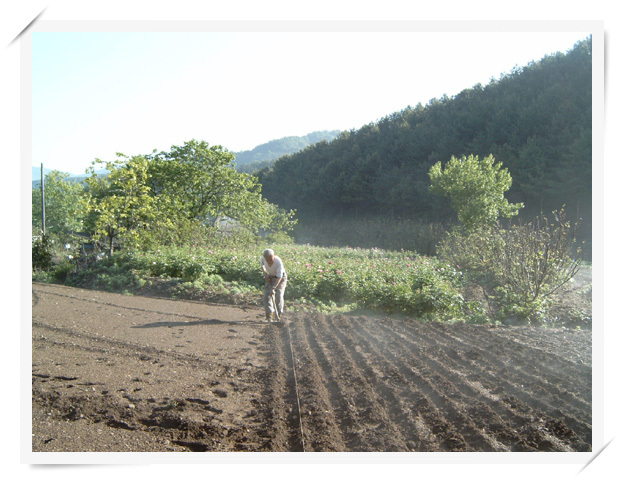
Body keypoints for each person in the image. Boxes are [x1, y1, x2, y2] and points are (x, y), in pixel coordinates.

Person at [261, 248, 287, 322]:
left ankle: (279, 314)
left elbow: (279, 277)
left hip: (280, 279)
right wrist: (265, 275)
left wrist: (274, 288)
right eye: (267, 260)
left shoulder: (278, 262)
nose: (269, 262)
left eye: (271, 259)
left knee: (278, 294)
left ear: (273, 256)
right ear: (265, 258)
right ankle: (269, 316)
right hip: (270, 277)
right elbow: (262, 266)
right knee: (267, 295)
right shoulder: (263, 258)